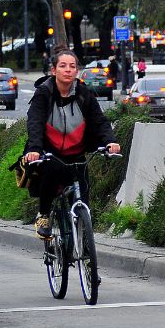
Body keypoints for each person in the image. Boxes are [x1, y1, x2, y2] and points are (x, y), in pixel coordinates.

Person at [24, 48, 121, 239]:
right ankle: (44, 215)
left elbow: (99, 120)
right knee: (50, 172)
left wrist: (110, 141)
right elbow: (34, 121)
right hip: (49, 152)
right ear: (54, 71)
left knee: (82, 192)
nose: (68, 70)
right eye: (62, 66)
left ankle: (83, 241)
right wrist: (35, 149)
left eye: (72, 66)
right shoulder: (44, 93)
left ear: (77, 71)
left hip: (76, 153)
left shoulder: (84, 94)